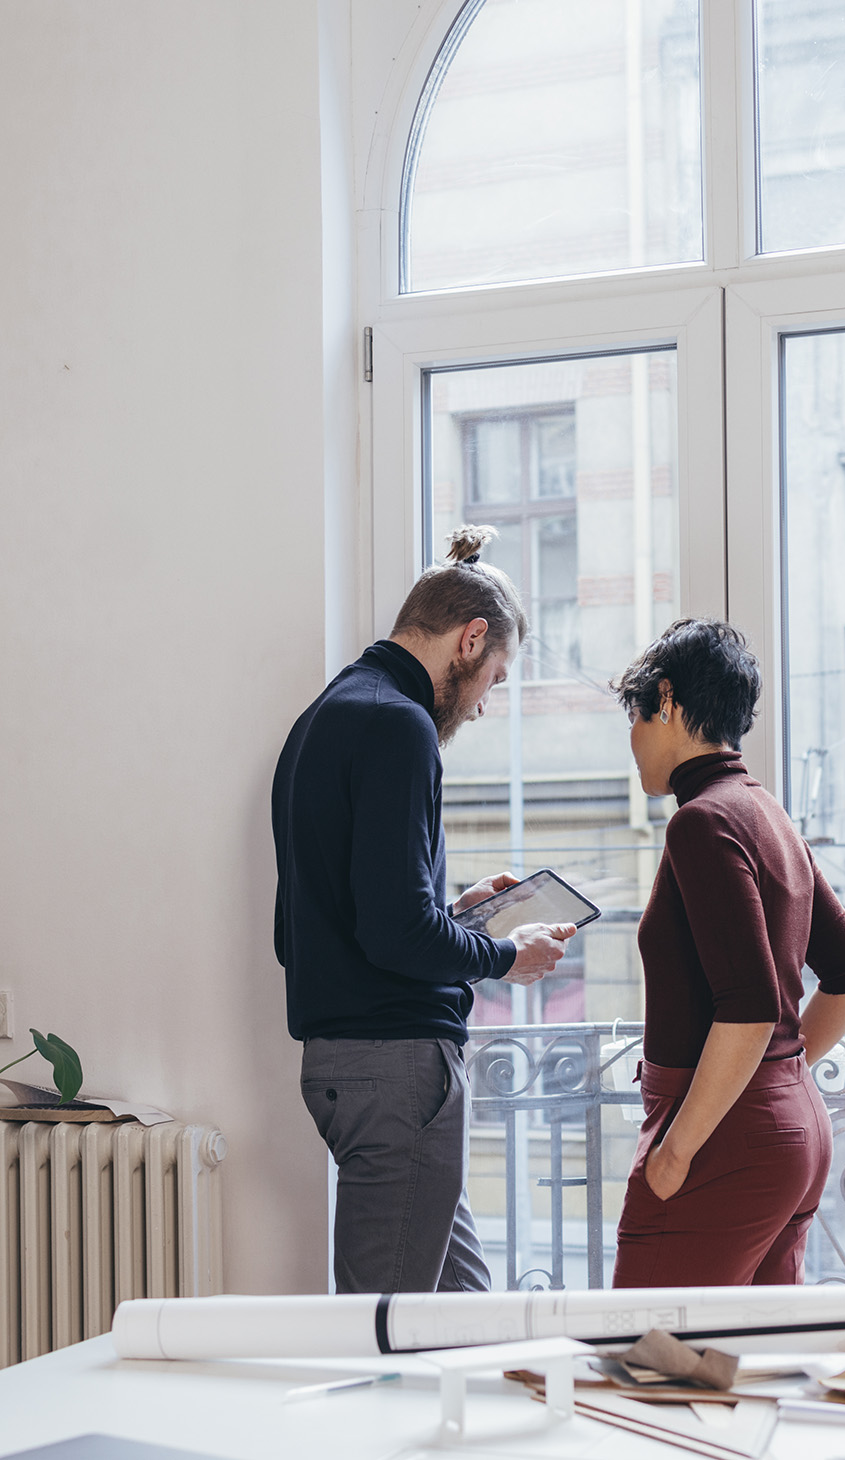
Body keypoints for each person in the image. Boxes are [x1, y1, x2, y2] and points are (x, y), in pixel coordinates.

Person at [272, 525, 576, 1295]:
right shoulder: (399, 726)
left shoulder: (325, 716)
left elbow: (328, 922)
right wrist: (509, 955)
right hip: (396, 1067)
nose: (481, 707)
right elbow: (396, 930)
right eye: (495, 679)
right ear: (471, 640)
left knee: (465, 1312)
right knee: (387, 1332)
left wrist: (461, 914)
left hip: (356, 1064)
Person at [611, 618, 845, 1288]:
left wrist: (676, 1153)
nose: (634, 742)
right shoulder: (766, 813)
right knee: (747, 1369)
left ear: (666, 702)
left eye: (636, 718)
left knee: (646, 1359)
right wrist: (776, 1084)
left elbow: (753, 1008)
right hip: (792, 1130)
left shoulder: (701, 822)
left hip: (722, 1143)